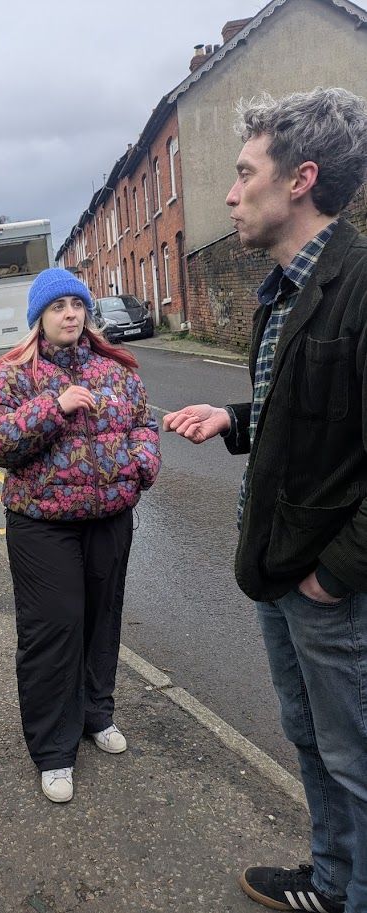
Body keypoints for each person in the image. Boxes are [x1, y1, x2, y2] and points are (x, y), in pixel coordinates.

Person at [163, 88, 367, 913]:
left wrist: (334, 575)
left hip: (331, 587)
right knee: (312, 742)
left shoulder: (359, 286)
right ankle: (328, 880)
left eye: (243, 172)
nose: (227, 193)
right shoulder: (281, 292)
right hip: (281, 570)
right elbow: (315, 408)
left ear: (299, 180)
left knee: (357, 761)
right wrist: (236, 417)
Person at [0, 267, 161, 802]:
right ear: (39, 317)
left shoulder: (115, 369)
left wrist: (142, 463)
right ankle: (53, 750)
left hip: (108, 517)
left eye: (77, 305)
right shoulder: (13, 373)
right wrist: (53, 408)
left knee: (102, 618)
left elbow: (143, 424)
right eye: (58, 307)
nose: (70, 314)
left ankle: (96, 713)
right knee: (53, 629)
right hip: (42, 524)